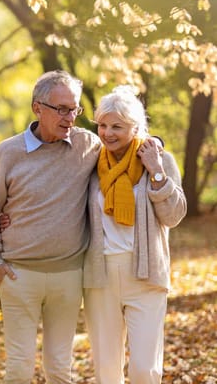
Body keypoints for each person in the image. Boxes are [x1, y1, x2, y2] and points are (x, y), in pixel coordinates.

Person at [0, 70, 102, 384]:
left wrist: (156, 146)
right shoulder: (8, 153)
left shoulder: (88, 146)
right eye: (61, 109)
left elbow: (124, 142)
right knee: (18, 369)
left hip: (69, 278)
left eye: (74, 109)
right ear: (37, 108)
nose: (70, 117)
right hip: (19, 277)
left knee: (60, 370)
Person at [83, 85, 187, 384]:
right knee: (106, 371)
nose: (107, 133)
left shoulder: (159, 159)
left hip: (146, 274)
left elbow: (174, 216)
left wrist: (155, 172)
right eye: (102, 125)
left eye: (117, 126)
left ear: (136, 127)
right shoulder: (92, 162)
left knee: (144, 369)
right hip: (100, 276)